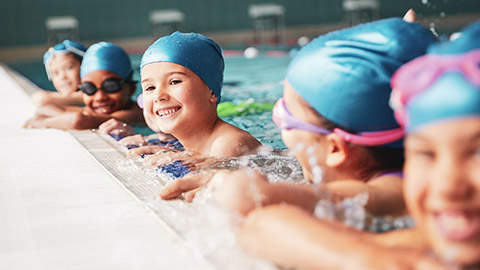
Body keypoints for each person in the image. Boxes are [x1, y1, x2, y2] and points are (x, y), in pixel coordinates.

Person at [238, 20, 480, 270]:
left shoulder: (396, 191)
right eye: (426, 153)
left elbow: (252, 204)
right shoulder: (432, 231)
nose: (448, 186)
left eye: (477, 153)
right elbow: (261, 226)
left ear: (336, 148)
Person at [160, 18, 436, 217]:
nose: (279, 123)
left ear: (335, 148)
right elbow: (283, 160)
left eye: (284, 115)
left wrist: (249, 192)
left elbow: (328, 199)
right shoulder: (366, 162)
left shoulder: (397, 189)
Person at [129, 32, 261, 158]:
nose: (158, 96)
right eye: (150, 87)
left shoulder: (228, 144)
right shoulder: (194, 145)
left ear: (211, 90)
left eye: (174, 82)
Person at [24, 42, 145, 130]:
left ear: (131, 89)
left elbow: (78, 120)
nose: (99, 97)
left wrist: (44, 123)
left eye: (111, 86)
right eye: (89, 89)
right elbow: (44, 108)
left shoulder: (134, 113)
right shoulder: (96, 109)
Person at [30, 40, 86, 107]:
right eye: (55, 73)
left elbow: (41, 99)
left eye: (68, 68)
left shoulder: (91, 95)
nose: (62, 77)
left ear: (84, 67)